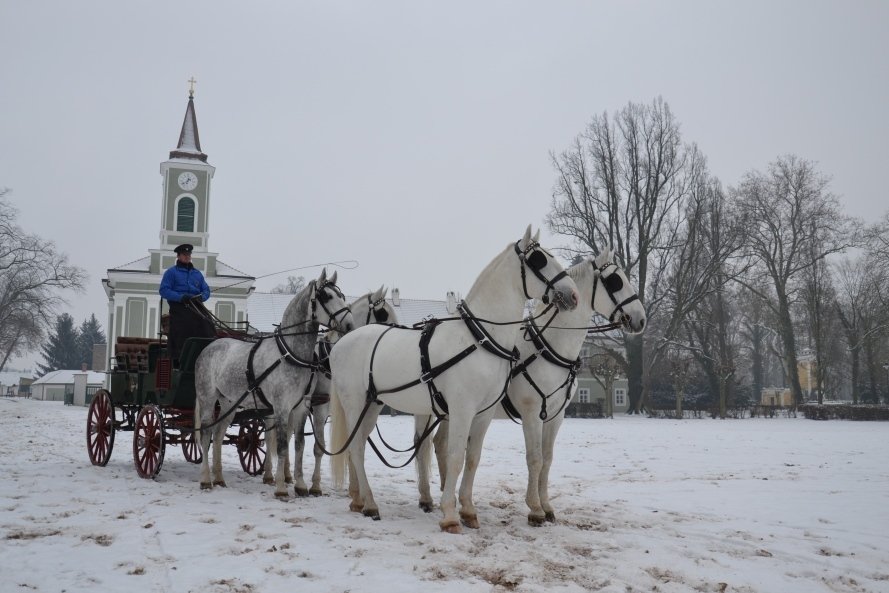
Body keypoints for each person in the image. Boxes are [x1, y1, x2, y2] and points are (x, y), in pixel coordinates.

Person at [159, 243, 215, 363]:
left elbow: (206, 290)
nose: (187, 257)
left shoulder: (197, 274)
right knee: (186, 324)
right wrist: (180, 297)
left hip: (196, 305)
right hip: (179, 307)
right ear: (178, 256)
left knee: (209, 323)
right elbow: (164, 290)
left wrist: (201, 297)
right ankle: (181, 356)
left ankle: (207, 354)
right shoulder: (171, 272)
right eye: (184, 255)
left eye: (189, 255)